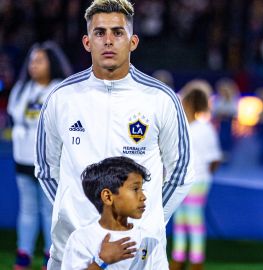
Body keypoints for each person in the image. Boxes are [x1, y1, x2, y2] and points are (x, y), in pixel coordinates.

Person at [34, 0, 193, 269]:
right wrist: (79, 214)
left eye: (118, 33)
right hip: (74, 253)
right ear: (87, 42)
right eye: (100, 33)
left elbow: (181, 171)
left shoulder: (161, 99)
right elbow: (46, 170)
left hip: (141, 256)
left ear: (133, 41)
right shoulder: (61, 98)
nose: (108, 41)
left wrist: (146, 218)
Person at [7, 41, 72, 270]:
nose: (34, 65)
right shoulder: (22, 89)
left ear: (51, 63)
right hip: (23, 159)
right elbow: (14, 118)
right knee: (27, 209)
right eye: (32, 61)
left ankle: (50, 257)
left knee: (49, 211)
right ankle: (23, 255)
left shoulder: (60, 89)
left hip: (50, 163)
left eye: (40, 60)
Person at [62, 156, 164, 269]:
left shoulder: (150, 241)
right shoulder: (81, 240)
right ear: (108, 197)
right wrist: (101, 262)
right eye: (135, 189)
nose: (143, 197)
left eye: (142, 189)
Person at [171, 81, 222, 270]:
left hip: (196, 182)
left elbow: (214, 159)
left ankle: (195, 262)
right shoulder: (185, 126)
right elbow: (215, 159)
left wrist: (202, 175)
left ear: (190, 103)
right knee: (180, 221)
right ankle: (178, 260)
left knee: (193, 221)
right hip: (181, 182)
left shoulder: (203, 128)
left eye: (184, 101)